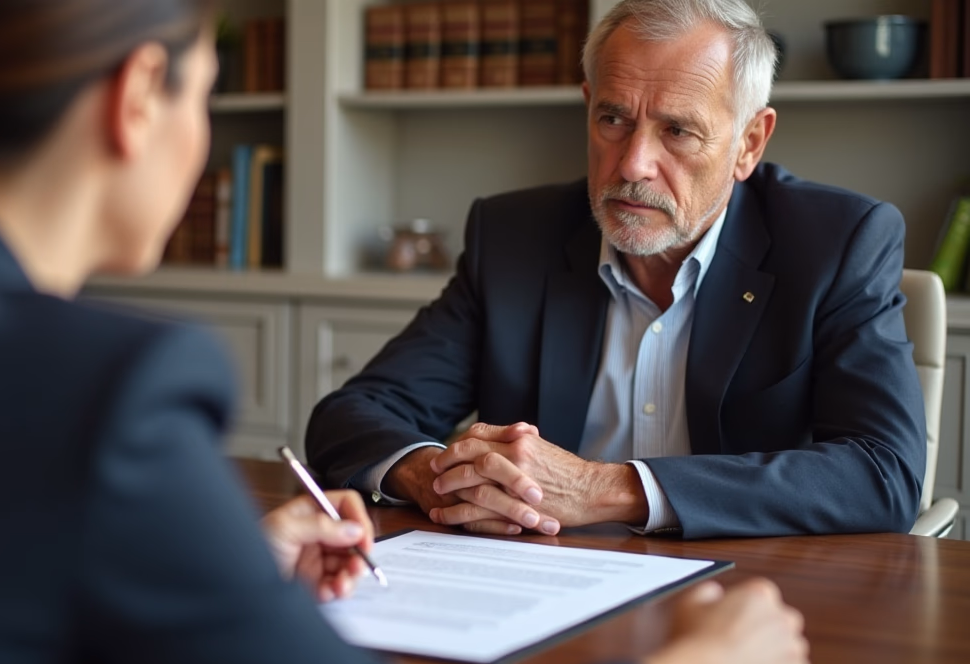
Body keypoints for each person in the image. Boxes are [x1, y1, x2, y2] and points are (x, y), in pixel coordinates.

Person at [0, 1, 807, 664]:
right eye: (208, 95)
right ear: (139, 99)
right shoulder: (101, 392)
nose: (632, 164)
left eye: (677, 132)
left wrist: (218, 573)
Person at [307, 0, 926, 541]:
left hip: (744, 595)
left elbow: (882, 473)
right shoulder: (514, 238)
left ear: (749, 144)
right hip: (543, 581)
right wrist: (438, 479)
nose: (632, 163)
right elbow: (354, 414)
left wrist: (606, 489)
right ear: (587, 106)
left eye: (678, 130)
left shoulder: (838, 242)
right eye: (613, 119)